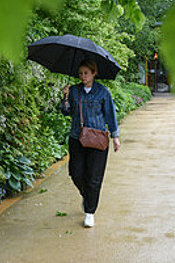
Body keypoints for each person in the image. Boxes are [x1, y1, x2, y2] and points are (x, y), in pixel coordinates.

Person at [60, 59, 120, 228]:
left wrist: (115, 137)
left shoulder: (103, 92)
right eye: (80, 73)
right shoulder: (73, 91)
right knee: (76, 173)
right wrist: (65, 97)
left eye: (86, 73)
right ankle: (88, 196)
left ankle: (89, 212)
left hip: (97, 139)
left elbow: (110, 115)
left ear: (94, 73)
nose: (83, 76)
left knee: (94, 177)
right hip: (77, 138)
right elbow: (66, 112)